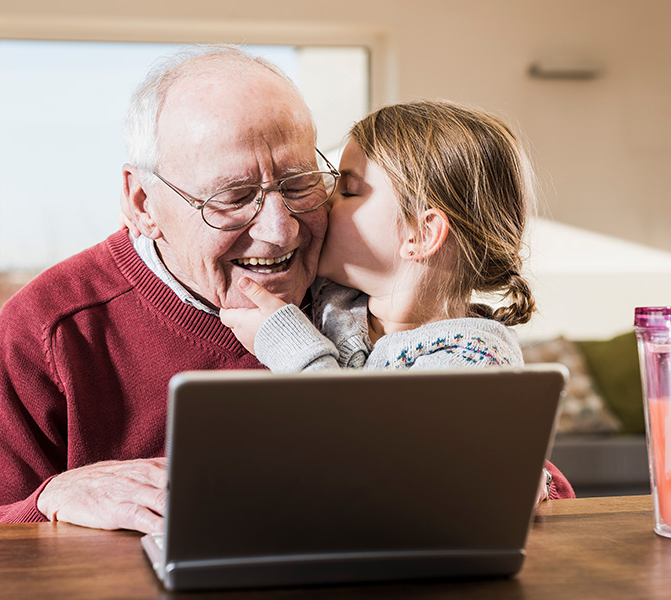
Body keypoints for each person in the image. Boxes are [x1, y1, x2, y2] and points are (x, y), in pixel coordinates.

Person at [0, 45, 333, 533]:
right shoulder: (50, 327)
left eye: (299, 183)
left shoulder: (369, 289)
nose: (281, 230)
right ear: (143, 203)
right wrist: (50, 499)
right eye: (233, 197)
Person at [220, 100, 574, 501]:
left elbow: (373, 461)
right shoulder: (332, 300)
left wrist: (290, 346)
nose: (323, 201)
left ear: (420, 235)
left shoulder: (472, 362)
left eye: (348, 190)